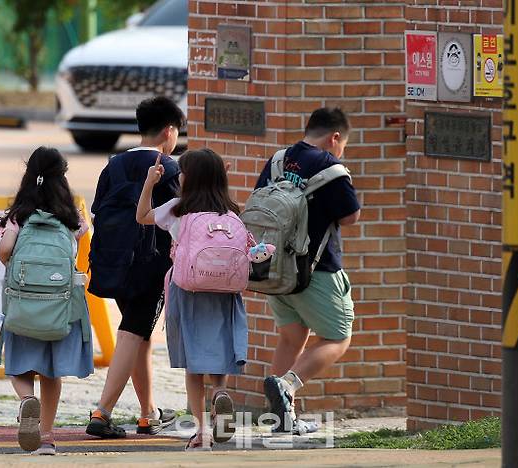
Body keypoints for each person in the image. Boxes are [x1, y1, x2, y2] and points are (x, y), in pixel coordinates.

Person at [254, 108, 361, 433]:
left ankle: (282, 419)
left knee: (291, 337)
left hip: (273, 268)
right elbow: (349, 217)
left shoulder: (278, 160)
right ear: (335, 137)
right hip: (316, 270)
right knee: (338, 336)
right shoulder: (332, 169)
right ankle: (287, 385)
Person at [136, 149, 248, 451]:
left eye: (182, 172)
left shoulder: (178, 210)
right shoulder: (231, 213)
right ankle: (221, 394)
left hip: (188, 290)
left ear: (190, 178)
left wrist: (150, 182)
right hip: (225, 294)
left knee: (193, 365)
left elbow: (142, 216)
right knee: (219, 354)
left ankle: (202, 433)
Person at [86, 97, 184, 438]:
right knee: (132, 334)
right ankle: (102, 412)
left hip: (113, 263)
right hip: (150, 267)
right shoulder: (168, 170)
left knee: (138, 336)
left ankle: (148, 413)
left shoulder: (112, 166)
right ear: (169, 131)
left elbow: (97, 213)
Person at [0, 147, 94, 455]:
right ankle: (48, 437)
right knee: (52, 373)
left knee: (18, 368)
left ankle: (27, 401)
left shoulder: (17, 216)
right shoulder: (73, 217)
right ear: (62, 177)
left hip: (23, 306)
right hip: (59, 308)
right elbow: (77, 250)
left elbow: (4, 252)